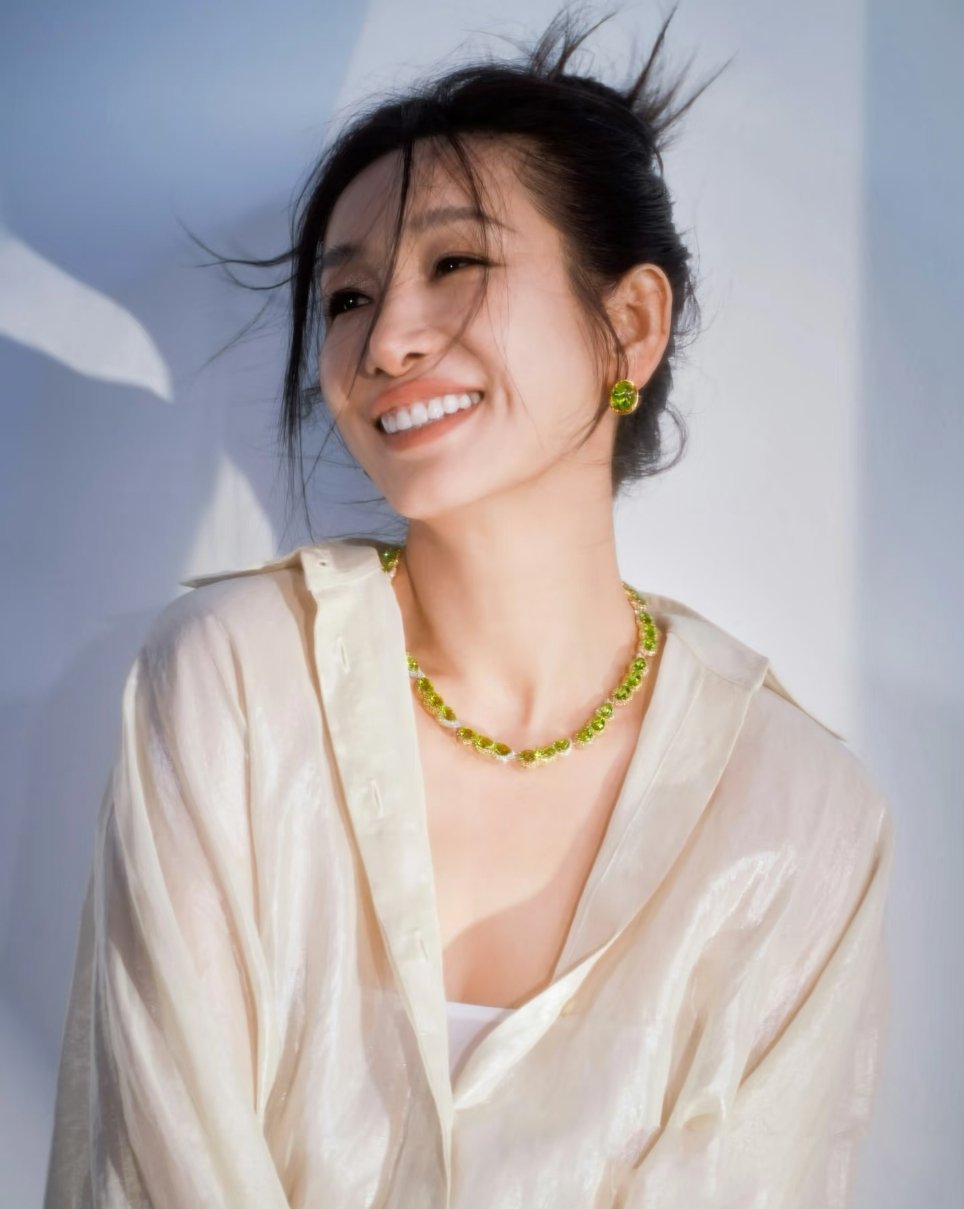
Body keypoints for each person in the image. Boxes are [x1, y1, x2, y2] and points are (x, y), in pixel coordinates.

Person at [44, 7, 894, 1207]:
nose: (386, 339)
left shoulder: (797, 811)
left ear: (629, 324)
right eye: (347, 297)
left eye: (455, 264)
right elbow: (161, 1169)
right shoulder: (233, 684)